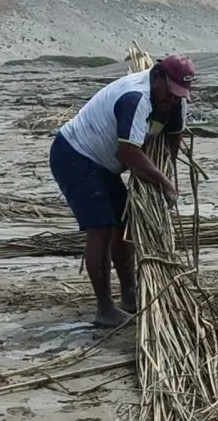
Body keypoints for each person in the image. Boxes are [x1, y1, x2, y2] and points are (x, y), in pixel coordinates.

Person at [49, 55, 195, 327]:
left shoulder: (176, 102)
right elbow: (129, 152)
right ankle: (105, 309)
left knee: (123, 224)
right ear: (158, 76)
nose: (172, 99)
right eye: (169, 92)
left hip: (105, 164)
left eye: (179, 95)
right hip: (75, 154)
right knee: (101, 228)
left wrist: (166, 169)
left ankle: (129, 294)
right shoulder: (135, 97)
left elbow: (172, 138)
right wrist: (163, 182)